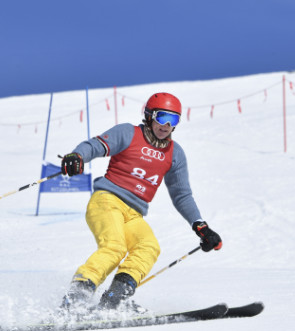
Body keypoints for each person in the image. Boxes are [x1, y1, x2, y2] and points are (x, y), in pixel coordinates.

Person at [59, 92, 223, 313]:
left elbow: (182, 194)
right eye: (162, 117)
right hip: (107, 201)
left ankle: (113, 301)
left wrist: (200, 226)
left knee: (148, 247)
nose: (166, 125)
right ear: (149, 115)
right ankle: (76, 298)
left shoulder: (175, 154)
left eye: (173, 120)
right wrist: (78, 156)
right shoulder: (128, 133)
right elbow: (95, 146)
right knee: (114, 247)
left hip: (134, 213)